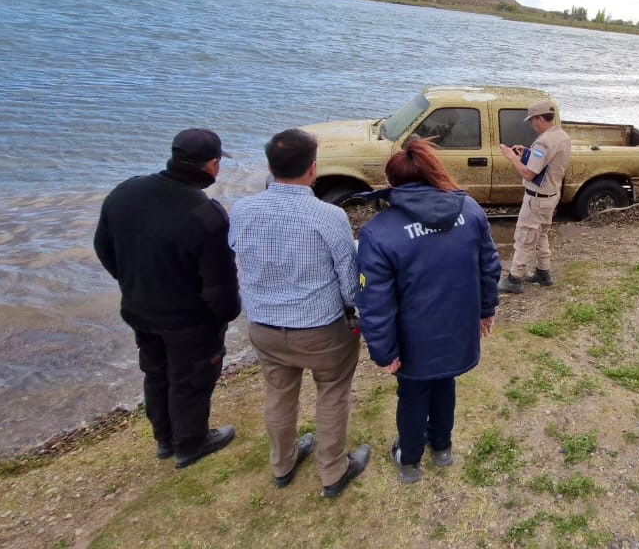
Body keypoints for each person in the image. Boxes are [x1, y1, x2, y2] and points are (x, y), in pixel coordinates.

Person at [228, 129, 371, 497]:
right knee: (332, 394)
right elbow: (348, 281)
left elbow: (237, 259)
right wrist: (360, 311)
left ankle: (283, 464)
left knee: (278, 394)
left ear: (270, 167)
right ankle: (333, 471)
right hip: (321, 329)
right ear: (312, 168)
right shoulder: (328, 216)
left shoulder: (242, 210)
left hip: (265, 326)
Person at [355, 139, 500, 484]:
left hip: (412, 337)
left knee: (413, 394)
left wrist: (383, 351)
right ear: (436, 172)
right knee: (444, 384)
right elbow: (490, 267)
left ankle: (410, 460)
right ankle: (442, 448)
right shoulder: (471, 211)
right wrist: (485, 310)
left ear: (392, 184)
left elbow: (374, 301)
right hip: (457, 328)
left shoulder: (378, 232)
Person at [94, 128, 240, 469]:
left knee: (156, 372)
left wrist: (132, 282)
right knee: (191, 379)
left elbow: (104, 247)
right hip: (189, 319)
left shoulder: (125, 192)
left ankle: (164, 438)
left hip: (140, 308)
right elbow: (219, 280)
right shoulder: (206, 214)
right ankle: (190, 443)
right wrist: (225, 314)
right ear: (213, 165)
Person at [496, 98, 572, 293]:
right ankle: (543, 272)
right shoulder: (562, 136)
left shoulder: (544, 142)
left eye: (532, 120)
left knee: (525, 236)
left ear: (539, 119)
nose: (531, 124)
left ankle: (514, 279)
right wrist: (527, 153)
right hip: (551, 195)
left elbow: (529, 174)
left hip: (536, 199)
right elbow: (547, 164)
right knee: (541, 234)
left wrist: (512, 157)